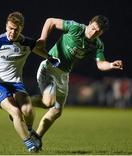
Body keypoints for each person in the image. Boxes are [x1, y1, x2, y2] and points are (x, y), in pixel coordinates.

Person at [0, 11, 59, 152]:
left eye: (16, 29)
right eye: (10, 28)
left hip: (16, 83)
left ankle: (29, 130)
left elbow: (36, 49)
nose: (12, 32)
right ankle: (30, 144)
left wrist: (49, 57)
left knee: (28, 110)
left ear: (21, 28)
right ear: (6, 26)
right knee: (16, 112)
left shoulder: (27, 42)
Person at [32, 15, 123, 146]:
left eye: (98, 32)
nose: (93, 33)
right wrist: (43, 39)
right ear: (89, 23)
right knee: (48, 102)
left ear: (102, 33)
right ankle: (24, 102)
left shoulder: (97, 45)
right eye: (93, 28)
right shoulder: (75, 27)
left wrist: (110, 65)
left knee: (57, 111)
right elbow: (50, 21)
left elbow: (100, 64)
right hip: (50, 68)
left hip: (64, 75)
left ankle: (36, 137)